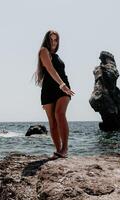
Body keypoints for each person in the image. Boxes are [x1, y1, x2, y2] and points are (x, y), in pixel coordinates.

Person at [34, 30, 75, 159]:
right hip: (49, 89)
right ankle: (58, 151)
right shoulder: (43, 51)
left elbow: (57, 71)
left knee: (59, 114)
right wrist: (61, 84)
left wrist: (63, 86)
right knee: (52, 121)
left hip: (63, 89)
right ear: (47, 40)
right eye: (51, 39)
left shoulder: (56, 56)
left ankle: (65, 148)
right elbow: (50, 69)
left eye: (56, 40)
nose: (53, 42)